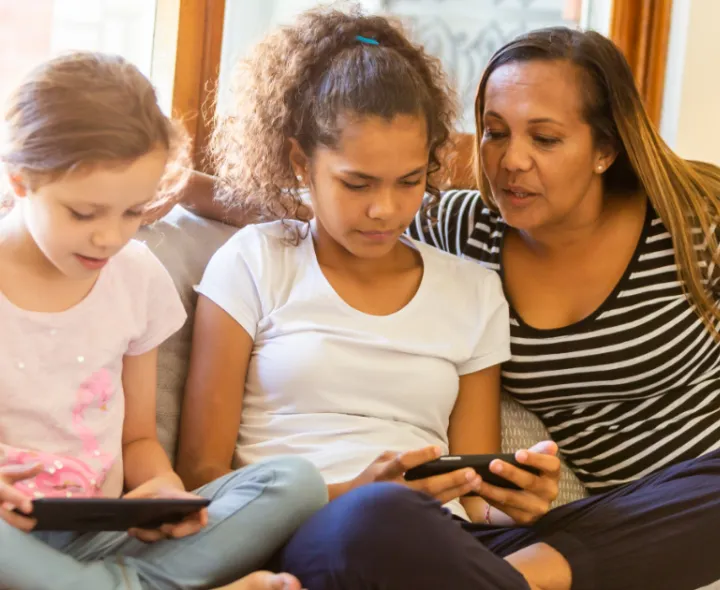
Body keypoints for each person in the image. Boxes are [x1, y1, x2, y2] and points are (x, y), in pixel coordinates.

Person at [271, 26, 720, 590]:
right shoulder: (465, 229)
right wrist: (182, 191)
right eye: (495, 132)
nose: (512, 161)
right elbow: (341, 214)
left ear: (604, 149)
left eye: (546, 139)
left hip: (701, 498)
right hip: (597, 530)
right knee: (381, 520)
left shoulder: (691, 219)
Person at [176, 7, 563, 590]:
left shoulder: (474, 289)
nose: (385, 210)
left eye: (409, 181)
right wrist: (352, 493)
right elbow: (201, 475)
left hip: (442, 539)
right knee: (379, 513)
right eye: (357, 184)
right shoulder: (257, 260)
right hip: (307, 531)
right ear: (302, 162)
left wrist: (516, 502)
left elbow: (476, 493)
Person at [0, 52, 327, 590]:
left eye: (134, 212)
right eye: (84, 213)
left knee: (295, 482)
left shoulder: (135, 277)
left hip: (99, 536)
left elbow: (136, 439)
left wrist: (162, 488)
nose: (110, 237)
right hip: (9, 535)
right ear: (19, 180)